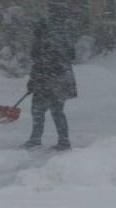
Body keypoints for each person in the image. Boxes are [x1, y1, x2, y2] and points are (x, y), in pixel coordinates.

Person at [22, 18, 76, 150]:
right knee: (57, 111)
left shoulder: (44, 42)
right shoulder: (59, 39)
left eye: (34, 29)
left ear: (39, 29)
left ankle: (35, 139)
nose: (32, 32)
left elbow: (40, 65)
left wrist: (33, 81)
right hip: (63, 80)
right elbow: (71, 55)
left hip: (49, 81)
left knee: (37, 110)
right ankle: (64, 141)